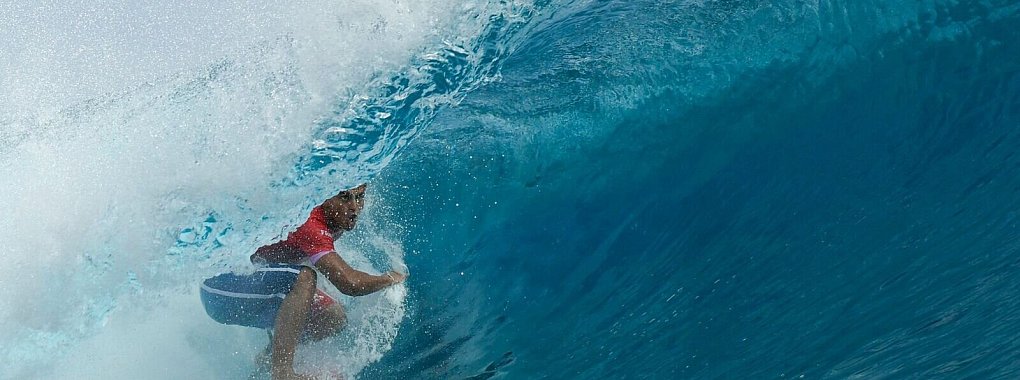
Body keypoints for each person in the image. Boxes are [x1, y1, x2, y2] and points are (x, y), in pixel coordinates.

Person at [200, 184, 407, 380]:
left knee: (333, 317)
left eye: (359, 197)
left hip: (252, 286)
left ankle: (266, 362)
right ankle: (282, 372)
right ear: (326, 197)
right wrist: (389, 278)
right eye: (344, 197)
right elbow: (349, 283)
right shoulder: (312, 224)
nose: (354, 207)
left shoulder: (336, 219)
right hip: (219, 289)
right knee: (304, 277)